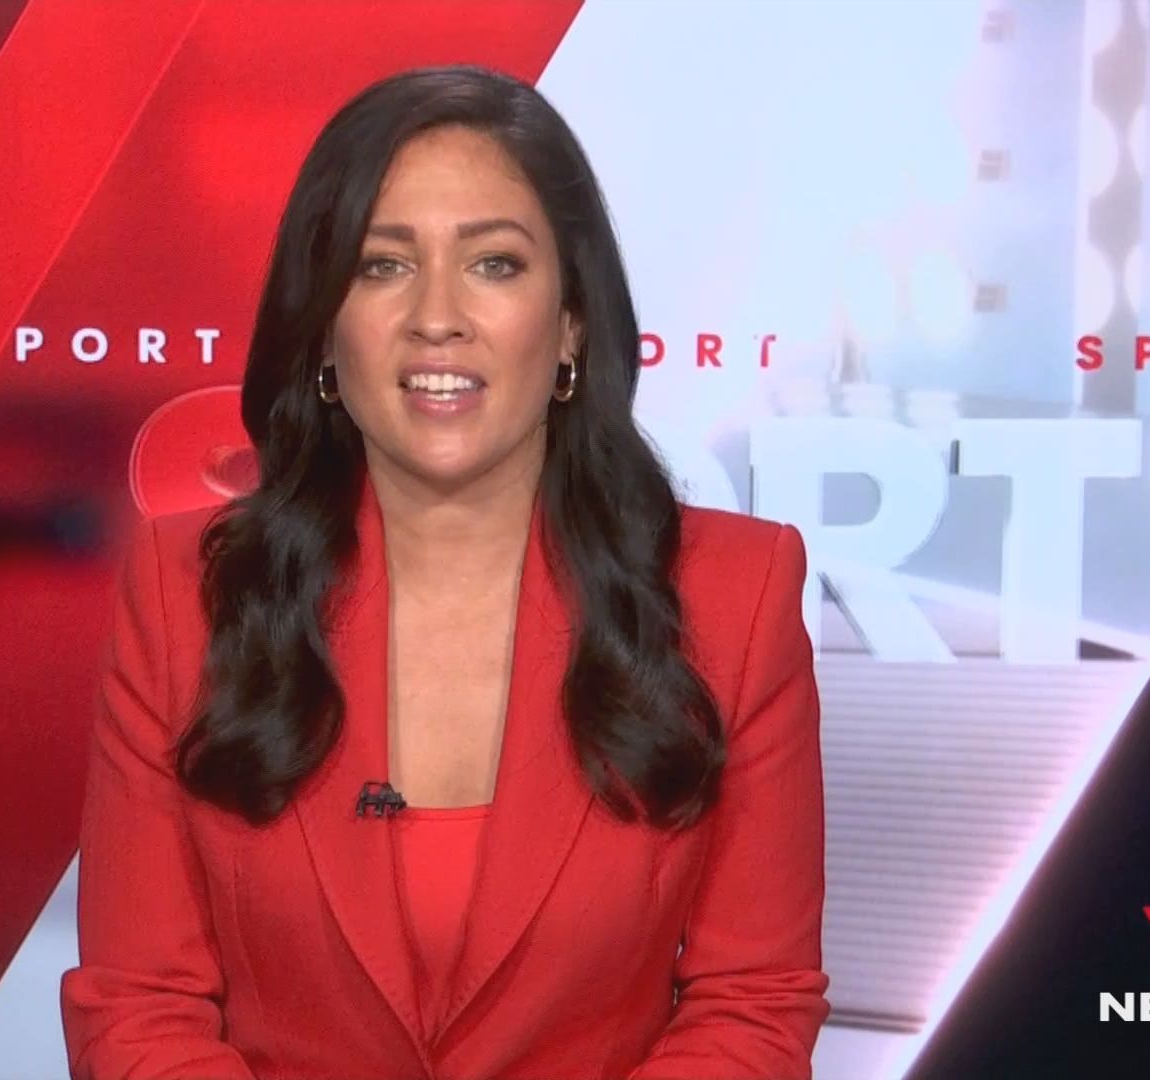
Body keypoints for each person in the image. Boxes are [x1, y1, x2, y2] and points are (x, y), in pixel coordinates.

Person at [60, 64, 827, 1080]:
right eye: (382, 266)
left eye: (494, 264)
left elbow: (753, 1004)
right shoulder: (186, 594)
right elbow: (139, 1008)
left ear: (572, 322)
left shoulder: (736, 594)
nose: (437, 315)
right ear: (323, 330)